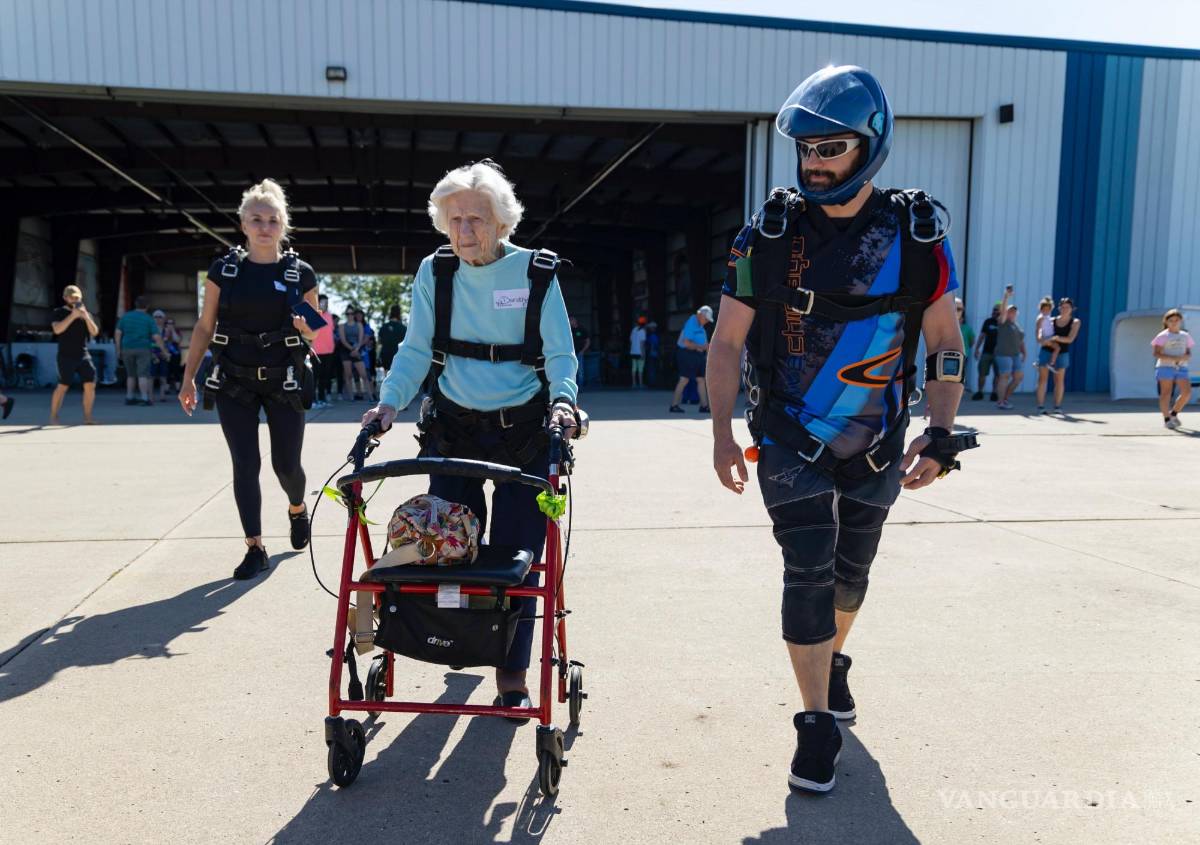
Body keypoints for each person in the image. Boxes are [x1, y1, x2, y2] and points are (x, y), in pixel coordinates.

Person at [708, 66, 973, 794]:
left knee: (852, 575)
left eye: (833, 148)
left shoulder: (918, 234)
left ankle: (833, 659)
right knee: (808, 569)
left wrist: (942, 431)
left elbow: (945, 337)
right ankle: (816, 721)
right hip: (789, 434)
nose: (815, 162)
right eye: (807, 149)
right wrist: (723, 434)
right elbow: (727, 341)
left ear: (871, 145)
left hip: (881, 439)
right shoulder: (766, 235)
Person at [361, 159, 578, 719]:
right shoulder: (435, 274)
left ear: (502, 222)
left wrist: (564, 401)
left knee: (518, 557)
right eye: (454, 219)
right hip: (452, 426)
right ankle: (457, 639)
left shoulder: (537, 275)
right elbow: (414, 349)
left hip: (524, 433)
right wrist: (388, 404)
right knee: (447, 548)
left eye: (476, 219)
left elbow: (559, 354)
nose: (465, 231)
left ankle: (511, 673)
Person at [178, 178, 319, 580]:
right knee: (245, 464)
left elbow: (314, 330)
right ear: (242, 224)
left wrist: (303, 324)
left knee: (286, 464)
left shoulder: (299, 272)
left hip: (284, 380)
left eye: (273, 220)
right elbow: (205, 327)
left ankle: (296, 508)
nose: (264, 227)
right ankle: (254, 547)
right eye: (256, 219)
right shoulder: (224, 270)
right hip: (233, 380)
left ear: (282, 225)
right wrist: (189, 377)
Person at [49, 284, 100, 424]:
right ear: (65, 298)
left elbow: (94, 332)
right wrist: (73, 316)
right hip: (65, 355)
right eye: (71, 297)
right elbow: (57, 330)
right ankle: (54, 416)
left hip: (83, 354)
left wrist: (86, 317)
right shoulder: (58, 312)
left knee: (90, 384)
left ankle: (88, 417)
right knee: (63, 386)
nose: (74, 300)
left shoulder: (85, 313)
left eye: (77, 297)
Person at [115, 295, 167, 406]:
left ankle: (129, 397)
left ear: (135, 304)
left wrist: (118, 349)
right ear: (147, 306)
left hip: (127, 348)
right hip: (143, 348)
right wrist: (164, 350)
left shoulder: (126, 317)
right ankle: (144, 398)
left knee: (130, 374)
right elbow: (157, 337)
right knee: (143, 374)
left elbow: (118, 333)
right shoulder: (148, 319)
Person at [1035, 297, 1081, 414]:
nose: (1065, 309)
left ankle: (1057, 406)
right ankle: (1040, 406)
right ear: (1059, 308)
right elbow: (1041, 334)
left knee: (1059, 380)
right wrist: (1041, 339)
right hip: (1046, 351)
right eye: (1063, 307)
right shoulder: (1051, 320)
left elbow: (1070, 339)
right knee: (1042, 379)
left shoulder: (1075, 322)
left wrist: (1056, 338)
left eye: (1067, 307)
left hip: (1062, 353)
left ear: (1072, 308)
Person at [1152, 309, 1193, 429]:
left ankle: (1174, 414)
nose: (1174, 323)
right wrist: (1171, 358)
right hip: (1165, 367)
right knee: (1166, 394)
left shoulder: (1185, 336)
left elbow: (1188, 352)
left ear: (1180, 321)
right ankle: (1166, 419)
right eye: (1171, 320)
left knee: (1186, 393)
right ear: (1166, 322)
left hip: (1181, 367)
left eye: (1176, 320)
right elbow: (1156, 353)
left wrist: (1185, 357)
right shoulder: (1162, 336)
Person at [669, 305, 712, 413]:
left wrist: (706, 352)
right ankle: (674, 405)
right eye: (706, 319)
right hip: (686, 354)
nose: (706, 321)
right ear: (700, 315)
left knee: (701, 379)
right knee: (684, 379)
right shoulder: (691, 323)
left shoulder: (700, 325)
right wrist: (702, 347)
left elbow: (703, 343)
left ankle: (704, 406)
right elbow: (686, 343)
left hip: (697, 356)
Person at [992, 290, 1025, 409]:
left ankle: (1005, 398)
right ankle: (1000, 401)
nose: (1012, 313)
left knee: (1018, 377)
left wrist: (1024, 353)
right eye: (1010, 311)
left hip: (1015, 355)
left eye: (1014, 311)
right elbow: (1003, 309)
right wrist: (1006, 297)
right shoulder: (1003, 322)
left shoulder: (1016, 325)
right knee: (1004, 376)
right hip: (1003, 354)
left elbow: (1021, 341)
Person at [971, 301, 1001, 401]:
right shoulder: (988, 321)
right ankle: (980, 392)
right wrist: (977, 349)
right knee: (982, 373)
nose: (995, 312)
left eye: (997, 310)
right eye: (994, 310)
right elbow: (982, 336)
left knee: (998, 375)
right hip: (986, 352)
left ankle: (994, 393)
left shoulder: (1003, 323)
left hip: (999, 354)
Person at [311, 294, 336, 408]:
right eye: (322, 302)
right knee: (315, 377)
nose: (325, 304)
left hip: (329, 351)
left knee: (325, 377)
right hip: (316, 351)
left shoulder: (330, 316)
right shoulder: (313, 314)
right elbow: (309, 334)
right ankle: (313, 400)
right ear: (318, 302)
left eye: (326, 302)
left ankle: (322, 399)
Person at [153, 310, 183, 401]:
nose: (169, 324)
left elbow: (177, 340)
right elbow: (162, 340)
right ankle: (166, 389)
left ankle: (178, 389)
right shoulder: (162, 330)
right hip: (164, 354)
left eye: (172, 323)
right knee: (167, 372)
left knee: (176, 370)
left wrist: (172, 330)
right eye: (168, 323)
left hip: (175, 354)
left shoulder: (176, 331)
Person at [339, 309, 369, 401]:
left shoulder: (359, 325)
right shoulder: (342, 326)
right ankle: (351, 397)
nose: (350, 315)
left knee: (363, 374)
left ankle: (370, 396)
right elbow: (343, 340)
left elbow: (361, 339)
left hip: (357, 349)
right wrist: (352, 349)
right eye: (348, 313)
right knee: (348, 375)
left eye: (352, 313)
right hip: (346, 350)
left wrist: (356, 349)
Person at [377, 305, 407, 373]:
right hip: (398, 356)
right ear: (399, 313)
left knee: (387, 377)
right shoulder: (403, 328)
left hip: (385, 355)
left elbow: (379, 342)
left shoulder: (383, 327)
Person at [955, 298, 975, 393]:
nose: (957, 311)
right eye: (955, 308)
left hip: (963, 354)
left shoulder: (967, 328)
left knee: (960, 373)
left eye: (959, 309)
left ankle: (959, 391)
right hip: (944, 355)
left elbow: (972, 341)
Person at [570, 315, 590, 387]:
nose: (570, 322)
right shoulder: (569, 330)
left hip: (579, 353)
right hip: (571, 353)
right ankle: (574, 386)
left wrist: (583, 351)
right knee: (572, 370)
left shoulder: (582, 329)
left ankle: (581, 386)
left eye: (571, 320)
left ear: (575, 320)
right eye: (569, 320)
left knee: (580, 370)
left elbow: (588, 341)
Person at [629, 316, 648, 387]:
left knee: (634, 368)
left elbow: (630, 340)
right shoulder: (643, 331)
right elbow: (642, 344)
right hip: (639, 352)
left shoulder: (634, 329)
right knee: (640, 368)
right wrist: (643, 353)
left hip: (633, 351)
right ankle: (640, 383)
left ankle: (634, 383)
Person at [645, 321, 661, 388]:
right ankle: (652, 382)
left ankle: (651, 383)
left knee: (651, 368)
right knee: (652, 368)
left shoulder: (652, 336)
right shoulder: (655, 336)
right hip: (654, 354)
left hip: (652, 354)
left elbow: (652, 346)